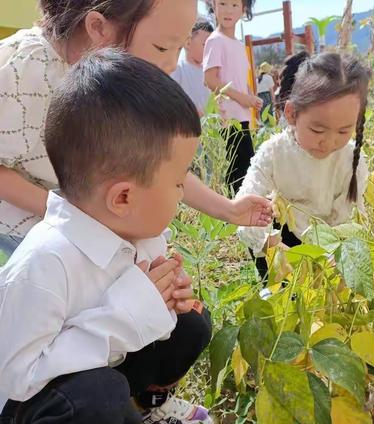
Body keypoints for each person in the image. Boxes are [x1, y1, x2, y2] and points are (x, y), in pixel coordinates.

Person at [0, 49, 213, 424]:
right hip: (29, 404)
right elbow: (19, 378)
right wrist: (133, 308)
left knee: (192, 323)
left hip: (101, 362)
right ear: (123, 197)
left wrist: (165, 301)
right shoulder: (44, 264)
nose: (181, 193)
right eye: (177, 182)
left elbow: (133, 317)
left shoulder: (135, 231)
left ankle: (142, 410)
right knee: (99, 394)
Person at [0, 0, 272, 257]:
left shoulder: (117, 81)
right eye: (163, 48)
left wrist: (229, 210)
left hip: (84, 227)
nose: (169, 66)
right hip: (29, 238)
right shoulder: (27, 67)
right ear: (98, 28)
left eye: (181, 48)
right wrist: (69, 214)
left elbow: (158, 164)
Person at [236, 52, 371, 281]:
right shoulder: (274, 153)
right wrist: (276, 247)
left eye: (343, 131)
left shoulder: (350, 158)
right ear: (291, 113)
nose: (328, 142)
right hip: (280, 244)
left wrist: (330, 257)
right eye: (317, 130)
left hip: (328, 245)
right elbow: (245, 208)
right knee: (286, 301)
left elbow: (348, 220)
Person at [203, 0, 263, 194]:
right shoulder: (215, 40)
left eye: (235, 5)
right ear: (214, 6)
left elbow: (239, 80)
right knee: (239, 176)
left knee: (246, 172)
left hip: (241, 117)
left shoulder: (237, 44)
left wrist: (251, 97)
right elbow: (210, 79)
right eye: (223, 3)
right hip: (228, 120)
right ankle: (236, 218)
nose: (228, 10)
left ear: (243, 10)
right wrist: (241, 98)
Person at [171, 19, 214, 116]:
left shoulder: (211, 73)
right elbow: (173, 101)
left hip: (212, 128)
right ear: (188, 43)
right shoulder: (178, 70)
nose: (209, 50)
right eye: (205, 45)